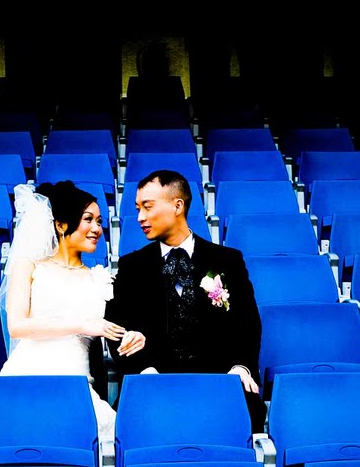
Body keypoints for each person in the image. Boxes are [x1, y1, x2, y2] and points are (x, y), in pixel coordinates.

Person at [104, 169, 266, 430]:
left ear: (177, 206)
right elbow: (116, 328)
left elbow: (247, 323)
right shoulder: (132, 266)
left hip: (219, 383)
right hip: (153, 386)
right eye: (137, 209)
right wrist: (144, 371)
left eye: (147, 206)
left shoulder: (227, 260)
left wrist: (241, 367)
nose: (140, 217)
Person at [0, 180, 122, 438]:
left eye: (99, 222)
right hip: (27, 373)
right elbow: (17, 327)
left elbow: (113, 326)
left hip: (77, 378)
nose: (97, 229)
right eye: (88, 219)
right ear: (61, 224)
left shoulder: (99, 277)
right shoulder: (29, 267)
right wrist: (82, 325)